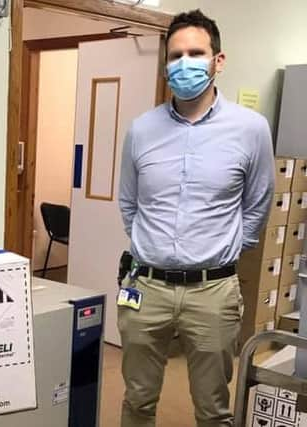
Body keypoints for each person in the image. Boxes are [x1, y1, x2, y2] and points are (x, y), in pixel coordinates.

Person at [117, 10, 275, 427]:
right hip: (145, 288)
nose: (184, 63)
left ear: (218, 60)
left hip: (212, 291)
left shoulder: (252, 129)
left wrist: (220, 254)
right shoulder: (141, 130)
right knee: (136, 401)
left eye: (195, 53)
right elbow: (129, 205)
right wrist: (152, 251)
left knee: (213, 410)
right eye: (175, 55)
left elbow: (257, 205)